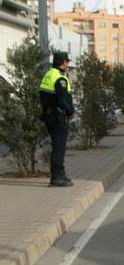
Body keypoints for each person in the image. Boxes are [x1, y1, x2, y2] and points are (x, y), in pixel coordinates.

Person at [39, 52, 76, 187]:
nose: (68, 64)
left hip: (49, 116)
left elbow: (44, 97)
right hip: (58, 117)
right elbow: (63, 99)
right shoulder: (60, 79)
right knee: (59, 148)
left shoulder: (48, 75)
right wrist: (70, 111)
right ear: (62, 62)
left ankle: (59, 175)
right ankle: (57, 177)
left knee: (56, 147)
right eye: (67, 62)